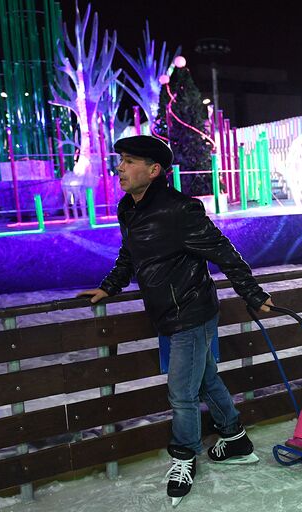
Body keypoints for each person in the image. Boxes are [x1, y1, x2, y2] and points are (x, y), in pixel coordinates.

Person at [78, 135, 273, 504]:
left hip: (192, 313)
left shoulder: (180, 209)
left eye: (130, 161)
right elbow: (129, 256)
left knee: (181, 393)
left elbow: (225, 253)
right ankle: (236, 440)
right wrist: (109, 288)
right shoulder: (128, 209)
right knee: (204, 380)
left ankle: (184, 457)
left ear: (154, 171)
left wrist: (253, 294)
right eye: (121, 159)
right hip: (166, 315)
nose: (120, 167)